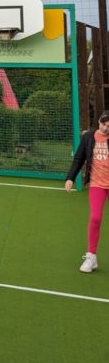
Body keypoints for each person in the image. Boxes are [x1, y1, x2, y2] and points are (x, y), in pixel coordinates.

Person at [64, 111, 109, 273]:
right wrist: (70, 177)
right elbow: (79, 158)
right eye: (103, 124)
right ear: (98, 121)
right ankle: (91, 256)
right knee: (95, 217)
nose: (105, 128)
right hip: (97, 184)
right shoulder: (89, 137)